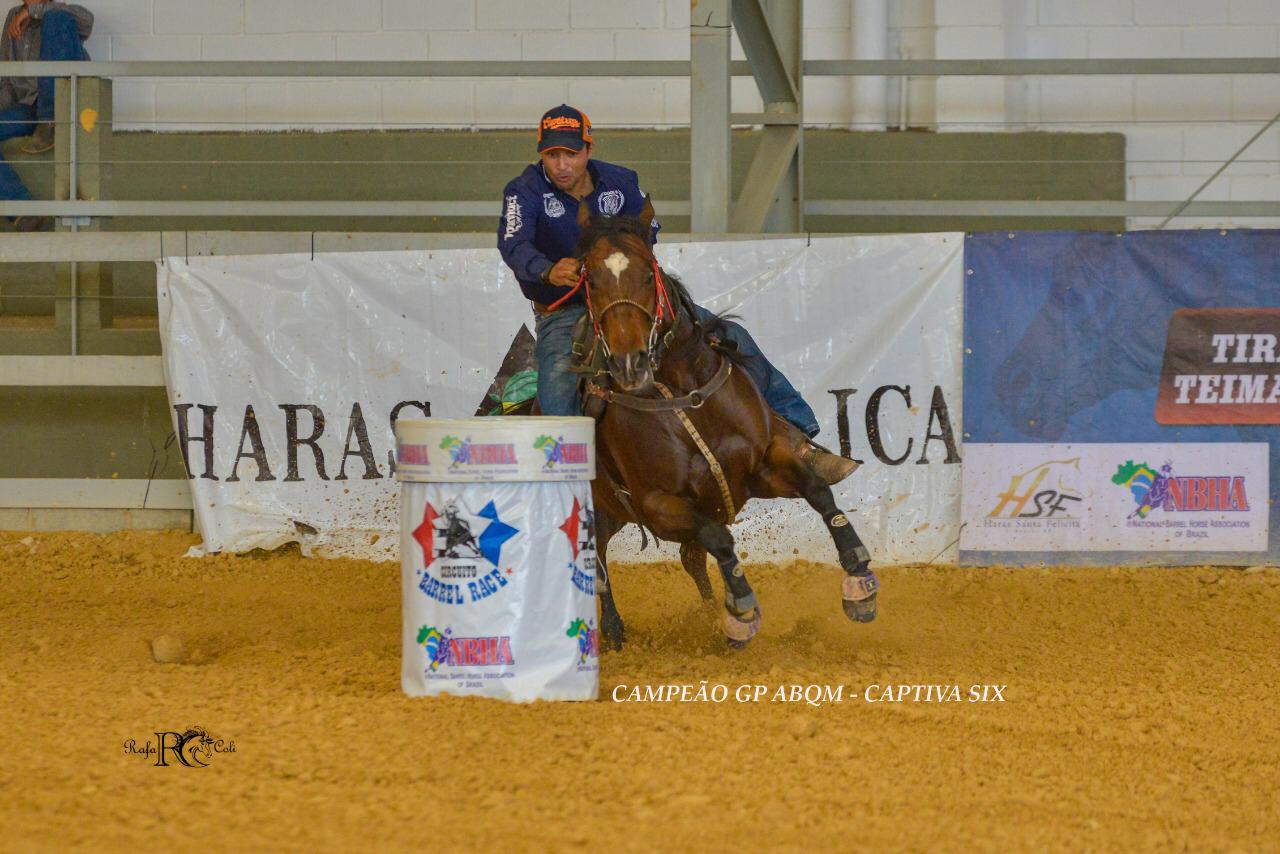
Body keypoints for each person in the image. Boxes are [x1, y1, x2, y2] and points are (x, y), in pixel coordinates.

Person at [496, 104, 856, 483]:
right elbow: (513, 244)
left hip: (634, 302)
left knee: (732, 335)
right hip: (565, 310)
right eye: (553, 155)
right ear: (541, 155)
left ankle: (798, 437)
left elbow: (649, 232)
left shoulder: (622, 182)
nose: (562, 165)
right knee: (557, 378)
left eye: (571, 153)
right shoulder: (524, 193)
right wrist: (547, 269)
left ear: (588, 150)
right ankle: (560, 483)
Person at [0, 0, 93, 232]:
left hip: (65, 104)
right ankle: (23, 211)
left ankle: (51, 120)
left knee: (55, 18)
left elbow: (88, 21)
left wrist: (35, 11)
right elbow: (6, 75)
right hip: (28, 107)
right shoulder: (12, 16)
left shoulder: (61, 13)